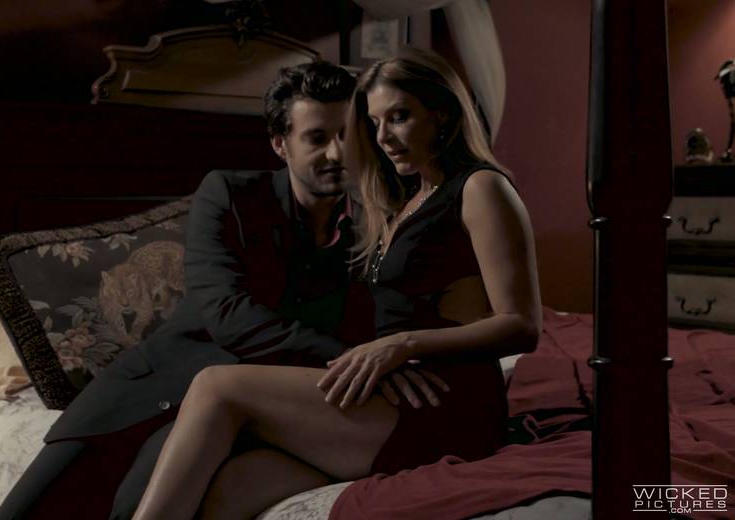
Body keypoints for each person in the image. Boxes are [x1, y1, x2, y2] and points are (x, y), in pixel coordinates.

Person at [0, 60, 439, 520]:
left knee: (133, 506)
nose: (338, 152)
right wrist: (351, 358)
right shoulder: (229, 194)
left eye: (348, 135)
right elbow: (227, 313)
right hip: (150, 391)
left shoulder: (377, 221)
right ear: (280, 144)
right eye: (317, 138)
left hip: (251, 410)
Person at [131, 47, 543, 520]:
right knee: (228, 490)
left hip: (445, 405)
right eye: (374, 123)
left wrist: (401, 346)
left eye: (400, 117)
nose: (383, 137)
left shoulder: (481, 188)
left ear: (443, 114)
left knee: (215, 387)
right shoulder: (402, 198)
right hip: (393, 398)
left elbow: (522, 325)